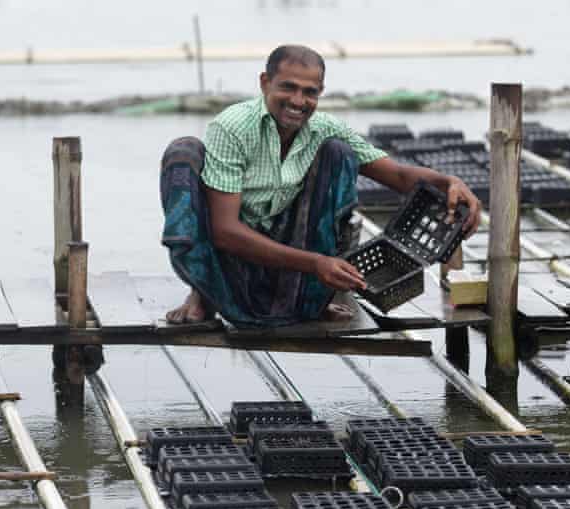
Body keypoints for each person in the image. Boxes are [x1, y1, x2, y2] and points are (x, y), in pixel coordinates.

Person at [160, 44, 481, 327]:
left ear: (320, 92)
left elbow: (396, 176)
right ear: (264, 83)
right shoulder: (233, 127)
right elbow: (225, 231)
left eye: (310, 92)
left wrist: (447, 180)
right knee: (183, 150)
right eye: (288, 88)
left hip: (284, 244)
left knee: (338, 153)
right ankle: (202, 291)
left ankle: (312, 296)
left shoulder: (324, 128)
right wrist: (315, 263)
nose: (298, 101)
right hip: (230, 253)